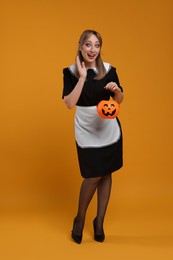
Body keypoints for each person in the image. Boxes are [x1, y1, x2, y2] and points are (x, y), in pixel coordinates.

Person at [62, 29, 124, 244]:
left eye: (97, 45)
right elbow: (70, 104)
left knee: (106, 173)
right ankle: (80, 219)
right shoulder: (70, 72)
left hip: (108, 127)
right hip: (86, 127)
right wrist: (81, 77)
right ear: (80, 46)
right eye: (88, 45)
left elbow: (120, 98)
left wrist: (116, 92)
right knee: (93, 175)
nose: (92, 50)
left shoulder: (109, 70)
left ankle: (99, 222)